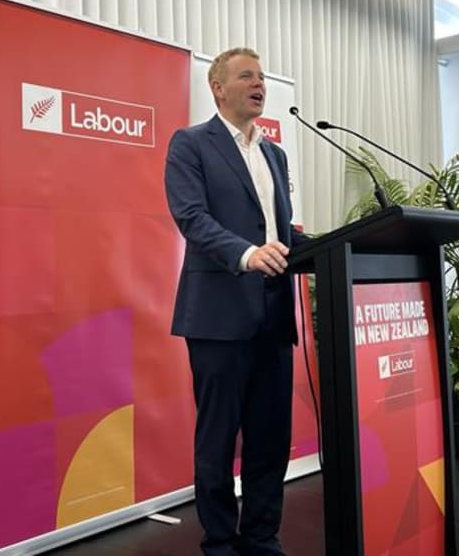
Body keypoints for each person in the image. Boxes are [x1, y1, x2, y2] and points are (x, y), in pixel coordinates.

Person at [164, 47, 309, 556]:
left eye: (262, 76)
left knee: (270, 438)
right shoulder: (191, 144)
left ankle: (262, 537)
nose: (259, 83)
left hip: (273, 310)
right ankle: (221, 541)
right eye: (246, 75)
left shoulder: (275, 153)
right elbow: (191, 218)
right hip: (219, 314)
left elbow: (277, 228)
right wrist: (246, 254)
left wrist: (314, 245)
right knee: (218, 438)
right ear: (217, 88)